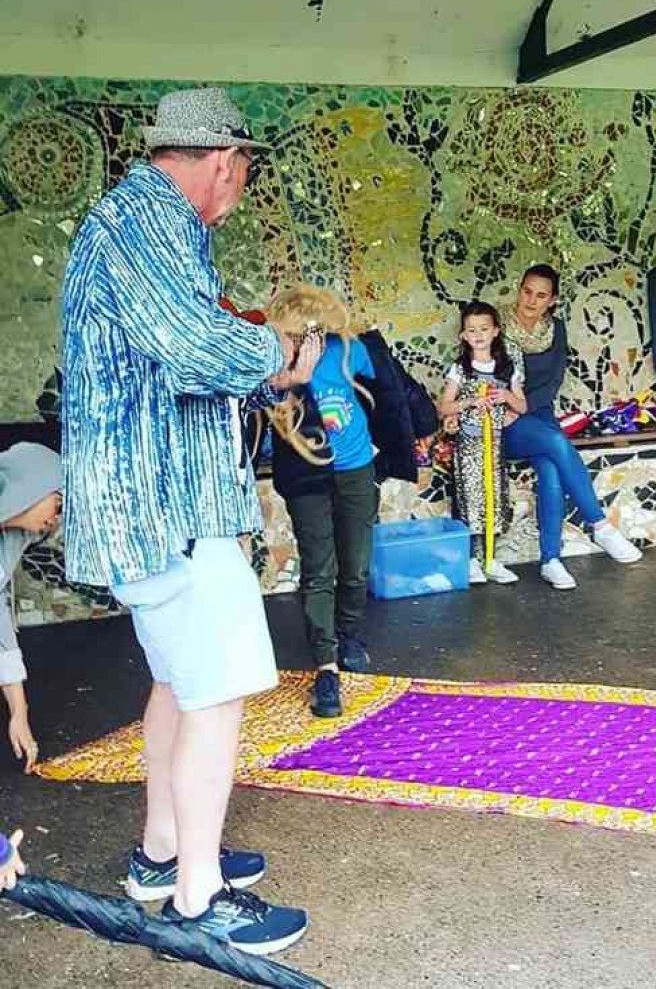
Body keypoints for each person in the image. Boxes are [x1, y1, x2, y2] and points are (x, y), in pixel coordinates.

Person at [61, 87, 309, 954]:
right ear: (221, 161)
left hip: (153, 510)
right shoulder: (149, 221)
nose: (237, 185)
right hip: (167, 511)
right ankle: (202, 901)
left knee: (178, 681)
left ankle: (163, 854)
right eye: (240, 169)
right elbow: (192, 343)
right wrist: (278, 354)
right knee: (219, 691)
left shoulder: (134, 222)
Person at [266, 285, 437, 718]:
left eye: (307, 333)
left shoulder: (347, 350)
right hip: (306, 477)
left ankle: (350, 636)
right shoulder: (271, 363)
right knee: (320, 569)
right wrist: (289, 381)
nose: (303, 341)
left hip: (357, 469)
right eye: (294, 334)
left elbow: (392, 392)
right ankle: (326, 666)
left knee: (355, 566)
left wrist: (412, 436)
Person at [502, 264, 642, 591]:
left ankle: (551, 560)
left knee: (550, 467)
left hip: (538, 414)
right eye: (526, 291)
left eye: (540, 295)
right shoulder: (498, 327)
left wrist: (526, 407)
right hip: (505, 420)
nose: (531, 301)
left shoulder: (556, 329)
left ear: (552, 301)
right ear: (519, 288)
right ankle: (600, 524)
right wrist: (509, 408)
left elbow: (553, 381)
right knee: (555, 443)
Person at [439, 302, 526, 585]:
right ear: (464, 335)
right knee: (469, 500)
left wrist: (506, 398)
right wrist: (469, 402)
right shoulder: (460, 370)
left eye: (484, 329)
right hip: (468, 448)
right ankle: (471, 560)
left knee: (494, 499)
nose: (478, 335)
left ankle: (491, 559)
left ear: (495, 332)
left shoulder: (505, 369)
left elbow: (522, 406)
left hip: (495, 446)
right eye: (471, 330)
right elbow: (444, 407)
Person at [1, 443, 62, 774]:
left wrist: (19, 714)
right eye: (58, 501)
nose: (56, 517)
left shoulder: (8, 542)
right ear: (32, 488)